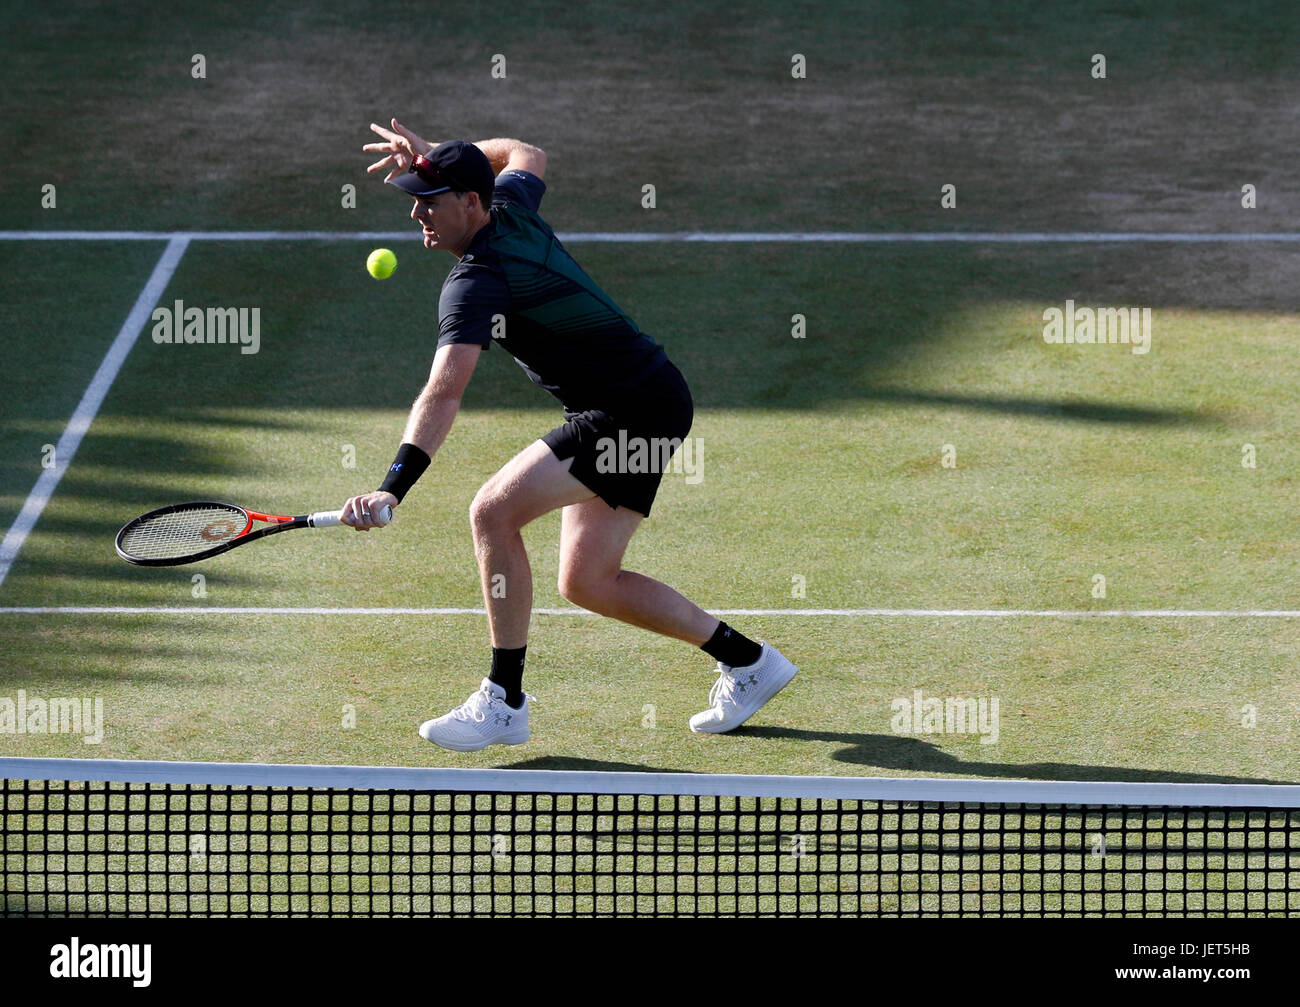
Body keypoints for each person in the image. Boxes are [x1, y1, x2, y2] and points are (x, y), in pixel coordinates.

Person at [342, 120, 797, 752]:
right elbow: (526, 151)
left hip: (628, 410)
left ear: (470, 202)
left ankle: (504, 701)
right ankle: (749, 662)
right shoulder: (510, 205)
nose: (417, 212)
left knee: (492, 513)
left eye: (430, 199)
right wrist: (445, 159)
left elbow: (443, 392)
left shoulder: (474, 282)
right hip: (658, 393)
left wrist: (393, 488)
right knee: (587, 581)